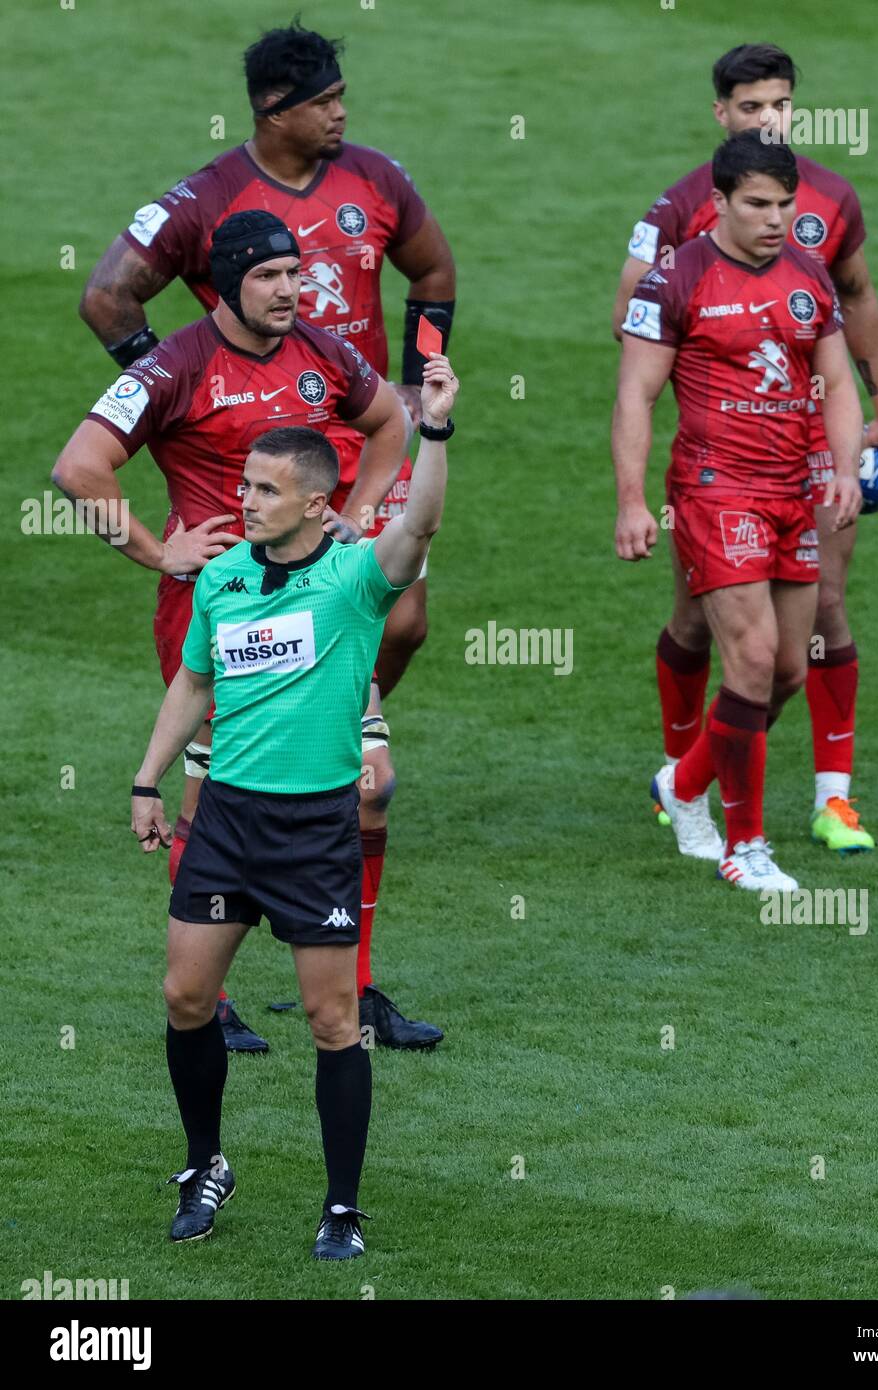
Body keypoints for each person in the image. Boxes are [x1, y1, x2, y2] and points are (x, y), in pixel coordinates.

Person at [79, 17, 455, 1046]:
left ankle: (356, 981)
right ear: (274, 111)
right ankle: (215, 989)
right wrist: (172, 394)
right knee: (218, 770)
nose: (343, 111)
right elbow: (104, 299)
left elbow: (431, 282)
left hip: (333, 522)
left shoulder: (367, 211)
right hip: (235, 570)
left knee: (384, 719)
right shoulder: (202, 220)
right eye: (326, 97)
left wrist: (423, 390)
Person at [130, 351, 456, 1256]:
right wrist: (148, 779)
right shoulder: (225, 576)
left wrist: (432, 428)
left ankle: (341, 1206)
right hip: (226, 818)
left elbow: (420, 524)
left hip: (313, 829)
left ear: (317, 504)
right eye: (245, 483)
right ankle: (206, 1165)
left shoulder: (355, 580)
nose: (247, 499)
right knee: (185, 994)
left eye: (267, 490)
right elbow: (194, 683)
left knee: (331, 1021)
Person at [613, 43, 878, 854]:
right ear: (723, 115)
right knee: (711, 632)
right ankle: (703, 800)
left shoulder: (828, 209)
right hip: (718, 468)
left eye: (779, 105)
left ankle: (826, 800)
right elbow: (631, 323)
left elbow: (854, 304)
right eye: (751, 108)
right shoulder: (684, 209)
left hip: (812, 457)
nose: (768, 119)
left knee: (808, 630)